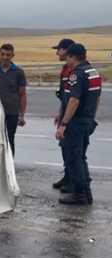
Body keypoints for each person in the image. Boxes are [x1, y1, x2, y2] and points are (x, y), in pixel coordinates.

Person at [55, 43, 101, 205]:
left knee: (74, 158)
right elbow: (96, 99)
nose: (66, 61)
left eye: (67, 57)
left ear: (73, 57)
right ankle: (86, 193)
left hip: (76, 122)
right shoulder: (93, 72)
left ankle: (79, 194)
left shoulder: (77, 74)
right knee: (81, 157)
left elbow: (74, 100)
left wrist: (64, 124)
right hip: (87, 120)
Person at [0, 44, 28, 156]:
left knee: (9, 139)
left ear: (12, 55)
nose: (5, 57)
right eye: (3, 54)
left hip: (12, 113)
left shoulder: (18, 72)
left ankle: (10, 166)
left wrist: (22, 115)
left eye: (8, 55)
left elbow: (22, 95)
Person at [51, 38, 75, 191]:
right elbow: (65, 96)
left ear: (67, 51)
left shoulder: (75, 71)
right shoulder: (65, 69)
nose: (57, 52)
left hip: (73, 117)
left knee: (74, 150)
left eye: (59, 49)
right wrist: (60, 113)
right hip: (65, 113)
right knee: (65, 148)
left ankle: (76, 181)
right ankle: (68, 177)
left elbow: (74, 98)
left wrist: (65, 119)